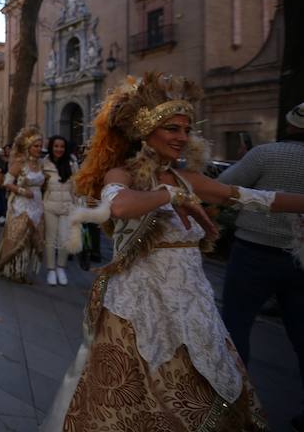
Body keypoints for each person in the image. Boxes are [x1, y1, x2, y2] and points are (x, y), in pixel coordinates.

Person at [42, 73, 304, 431]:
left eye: (186, 129)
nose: (182, 137)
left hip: (193, 306)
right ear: (146, 132)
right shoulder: (122, 174)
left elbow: (258, 198)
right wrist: (171, 195)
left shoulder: (188, 178)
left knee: (209, 390)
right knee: (133, 399)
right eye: (172, 128)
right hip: (138, 307)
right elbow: (119, 206)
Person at [218, 101, 304, 431]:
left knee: (236, 326)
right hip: (300, 257)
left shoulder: (265, 154)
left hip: (253, 252)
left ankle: (232, 403)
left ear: (290, 124)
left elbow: (224, 186)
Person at [0, 126, 45, 282]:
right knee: (18, 235)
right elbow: (7, 183)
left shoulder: (41, 164)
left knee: (31, 238)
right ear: (28, 147)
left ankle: (23, 270)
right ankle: (13, 270)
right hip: (21, 205)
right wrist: (23, 191)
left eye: (40, 146)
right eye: (36, 146)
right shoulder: (20, 164)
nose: (39, 149)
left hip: (37, 204)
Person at [42, 135, 79, 286]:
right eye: (56, 146)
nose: (59, 149)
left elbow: (76, 187)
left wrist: (77, 206)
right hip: (50, 206)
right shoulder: (44, 164)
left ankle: (61, 268)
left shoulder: (72, 163)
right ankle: (51, 269)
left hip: (67, 207)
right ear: (51, 147)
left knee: (65, 239)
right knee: (50, 240)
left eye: (62, 146)